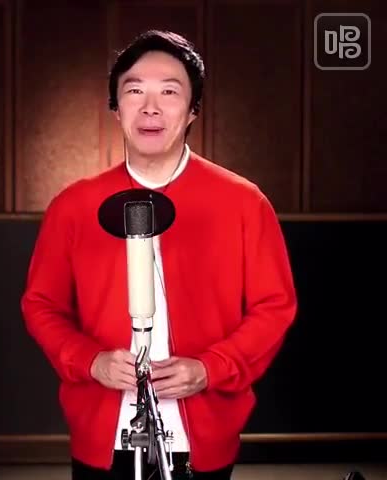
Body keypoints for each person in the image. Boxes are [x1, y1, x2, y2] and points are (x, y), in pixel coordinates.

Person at [20, 29, 297, 480]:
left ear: (193, 110)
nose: (150, 107)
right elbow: (41, 305)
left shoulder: (244, 202)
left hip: (203, 433)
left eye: (169, 92)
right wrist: (91, 361)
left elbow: (274, 307)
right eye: (135, 91)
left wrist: (209, 369)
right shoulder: (73, 205)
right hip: (102, 433)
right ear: (116, 108)